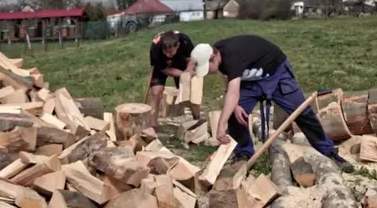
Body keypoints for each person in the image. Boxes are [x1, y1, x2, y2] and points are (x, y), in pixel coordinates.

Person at [190, 34, 353, 172]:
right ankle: (243, 153)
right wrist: (236, 106)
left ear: (213, 57)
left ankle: (329, 151)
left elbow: (233, 91)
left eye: (207, 68)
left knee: (302, 112)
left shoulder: (232, 56)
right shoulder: (219, 53)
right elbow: (228, 77)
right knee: (235, 115)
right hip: (251, 80)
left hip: (276, 72)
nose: (208, 73)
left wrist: (221, 124)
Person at [149, 29, 197, 131]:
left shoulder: (185, 41)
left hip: (180, 61)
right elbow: (165, 70)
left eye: (170, 51)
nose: (167, 54)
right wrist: (183, 74)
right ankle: (153, 126)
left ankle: (197, 119)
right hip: (162, 65)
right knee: (156, 92)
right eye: (165, 51)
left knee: (189, 91)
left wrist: (188, 71)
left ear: (178, 45)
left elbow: (192, 59)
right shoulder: (156, 48)